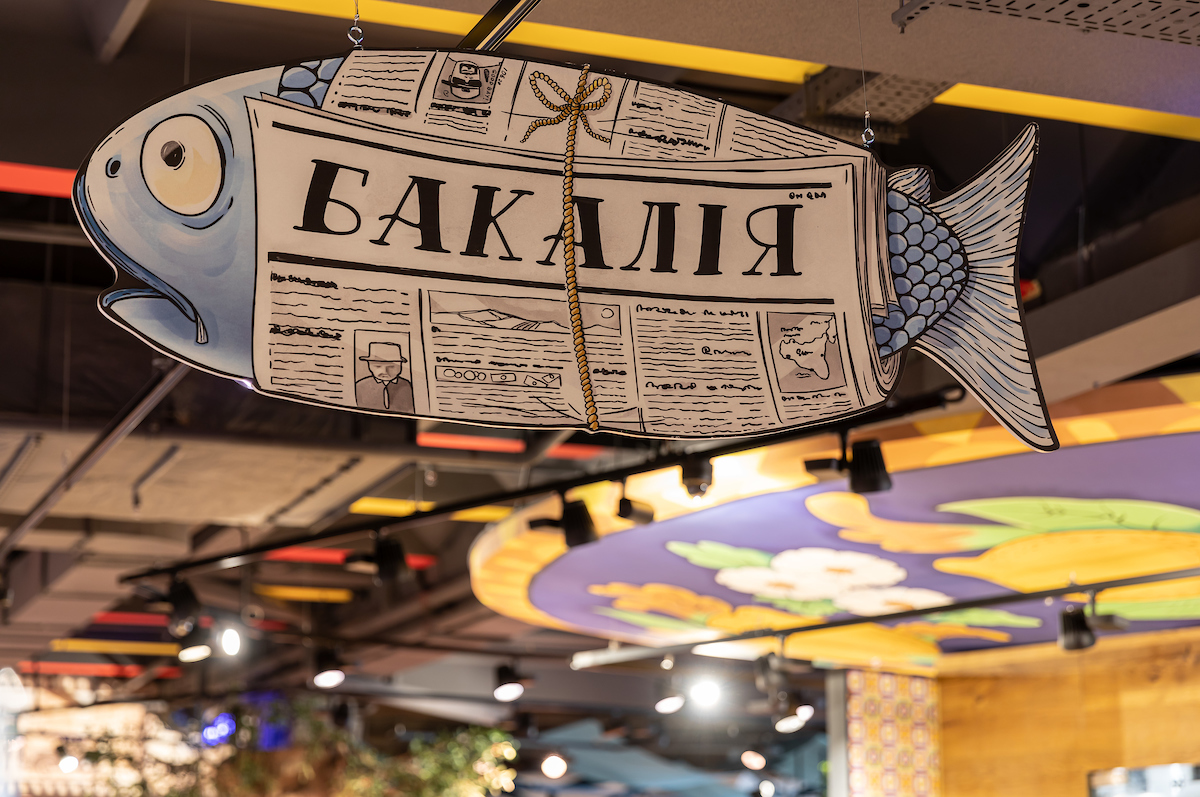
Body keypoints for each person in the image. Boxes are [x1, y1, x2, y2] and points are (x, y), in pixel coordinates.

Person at [355, 341, 414, 413]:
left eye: (391, 367)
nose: (384, 371)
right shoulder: (360, 386)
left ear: (400, 365)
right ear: (369, 365)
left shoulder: (407, 386)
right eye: (377, 366)